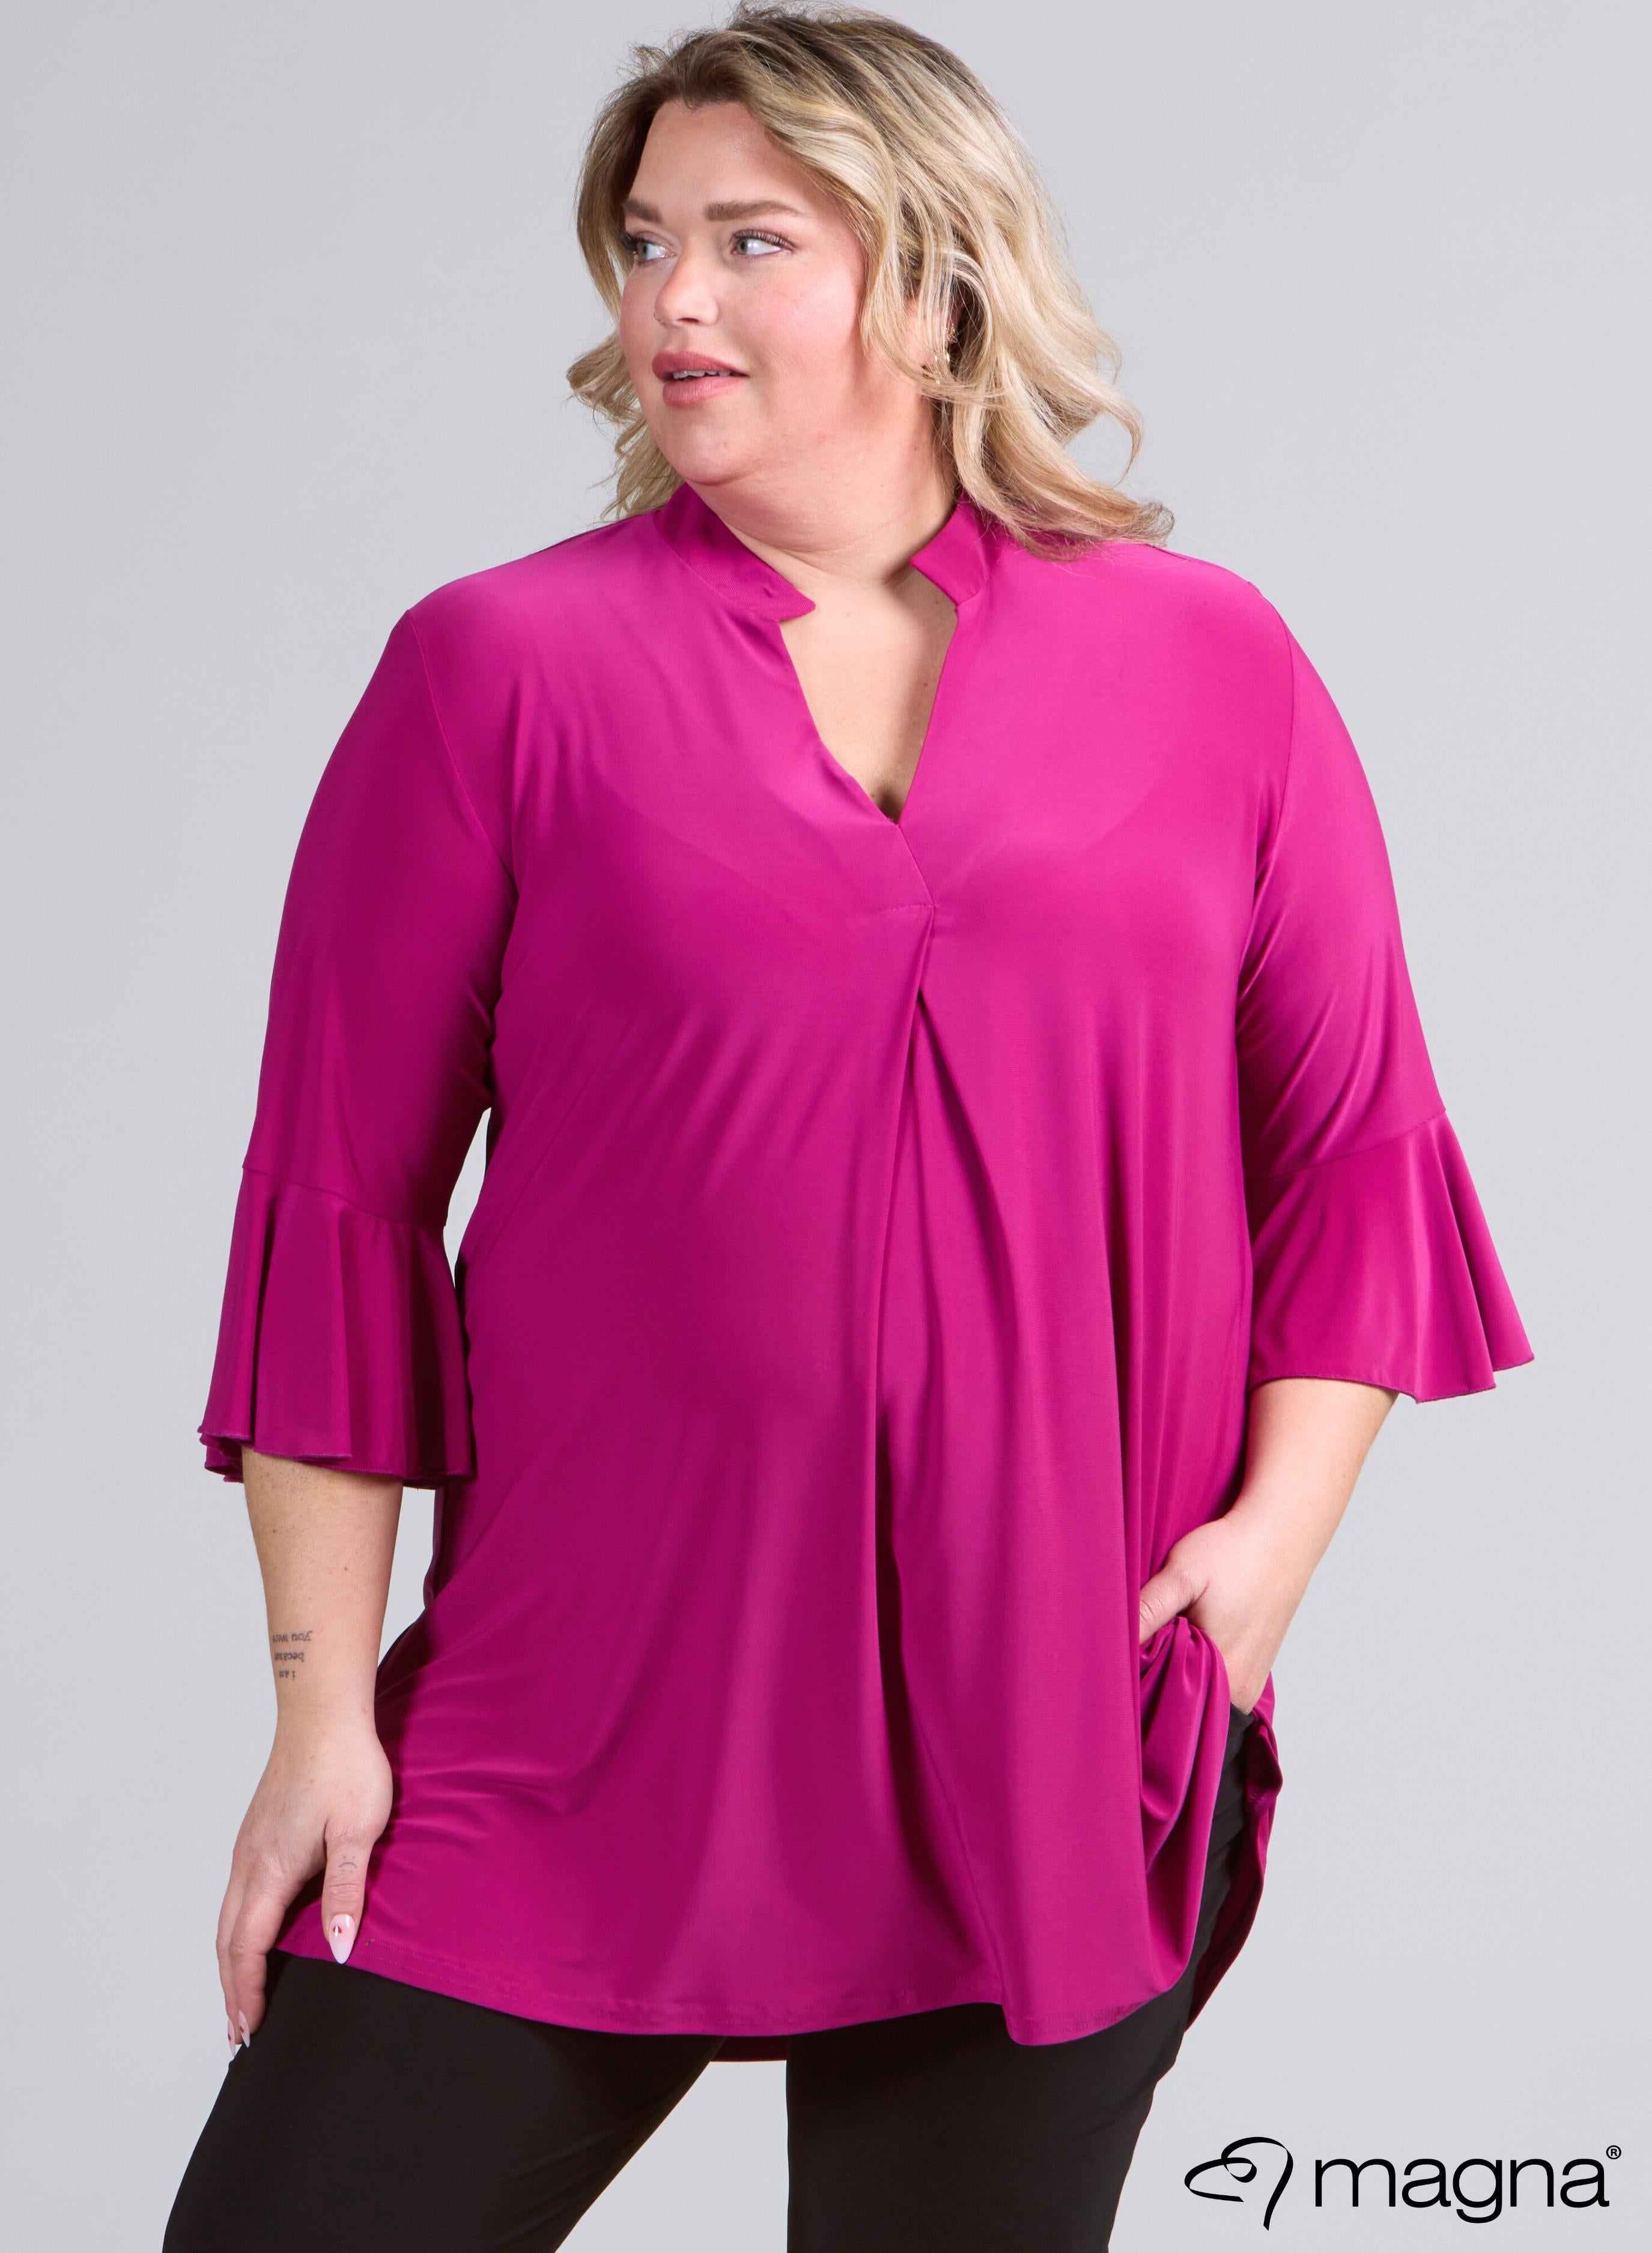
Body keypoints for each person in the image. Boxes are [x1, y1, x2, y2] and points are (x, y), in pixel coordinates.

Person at [165, 7, 1532, 2248]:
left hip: (1048, 1713)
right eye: (644, 242)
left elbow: (1355, 1145)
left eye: (750, 240)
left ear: (937, 273)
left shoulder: (1216, 667)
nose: (672, 301)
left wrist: (1272, 1550)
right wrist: (324, 1713)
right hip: (586, 1700)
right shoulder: (498, 672)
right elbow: (340, 1204)